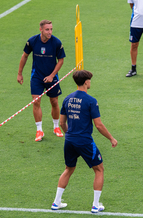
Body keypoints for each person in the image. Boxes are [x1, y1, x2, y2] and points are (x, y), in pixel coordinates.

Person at [51, 70, 118, 213]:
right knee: (99, 169)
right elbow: (98, 125)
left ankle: (56, 202)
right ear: (86, 82)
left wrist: (70, 134)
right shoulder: (91, 101)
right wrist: (111, 138)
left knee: (68, 169)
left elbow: (62, 123)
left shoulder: (67, 99)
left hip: (69, 140)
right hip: (85, 141)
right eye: (90, 80)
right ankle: (95, 205)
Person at [17, 20, 66, 142]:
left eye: (51, 29)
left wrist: (51, 75)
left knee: (54, 101)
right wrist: (19, 74)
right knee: (36, 101)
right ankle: (39, 130)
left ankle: (56, 127)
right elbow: (25, 56)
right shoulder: (32, 41)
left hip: (52, 77)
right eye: (47, 29)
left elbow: (61, 60)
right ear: (41, 30)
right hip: (37, 77)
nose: (50, 32)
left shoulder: (56, 42)